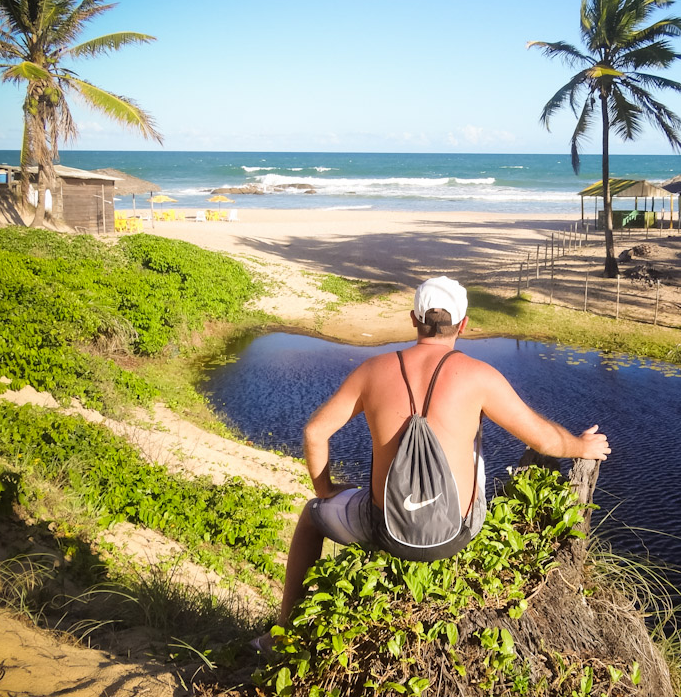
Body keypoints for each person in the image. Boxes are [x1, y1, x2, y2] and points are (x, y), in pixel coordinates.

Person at [254, 276, 610, 652]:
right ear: (464, 324)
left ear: (413, 319)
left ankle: (283, 635)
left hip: (384, 529)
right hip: (457, 531)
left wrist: (325, 491)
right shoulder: (480, 376)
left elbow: (314, 433)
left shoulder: (371, 371)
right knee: (470, 440)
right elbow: (543, 439)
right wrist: (581, 445)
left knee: (312, 516)